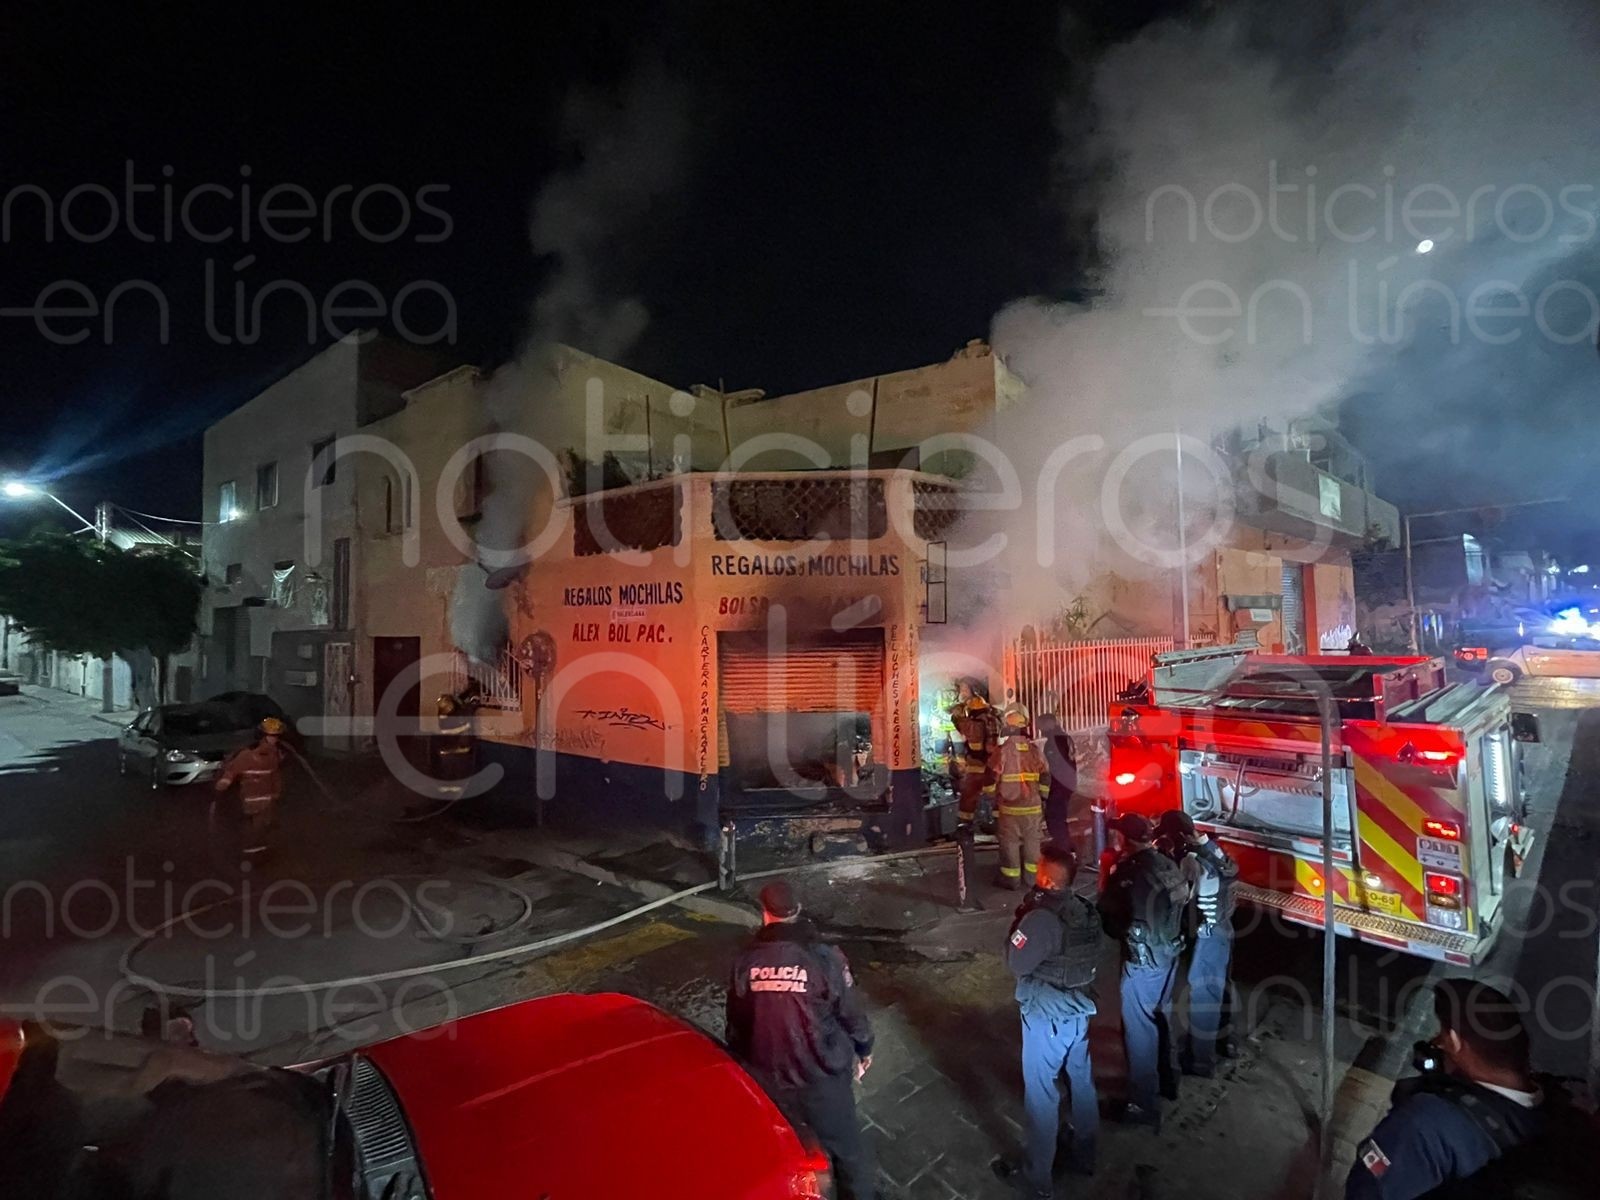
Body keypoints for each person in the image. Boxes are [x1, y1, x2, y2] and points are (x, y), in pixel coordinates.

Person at [1345, 979, 1584, 1200]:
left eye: (1441, 1035)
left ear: (1455, 1041)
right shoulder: (1564, 1120)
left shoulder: (1421, 1126)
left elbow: (1369, 1192)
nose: (1436, 1043)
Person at [726, 881, 875, 1200]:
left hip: (769, 1078)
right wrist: (864, 1048)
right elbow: (850, 1012)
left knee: (783, 1154)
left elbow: (736, 1025)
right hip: (822, 1077)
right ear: (798, 910)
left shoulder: (745, 960)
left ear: (765, 914)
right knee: (848, 1152)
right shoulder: (825, 958)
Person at [998, 844, 1103, 1196]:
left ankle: (1037, 1178)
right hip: (1079, 1011)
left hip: (1048, 1017)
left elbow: (1016, 961)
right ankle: (1085, 1154)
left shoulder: (1042, 918)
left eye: (1040, 871)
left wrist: (1023, 916)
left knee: (1042, 1095)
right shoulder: (1084, 910)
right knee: (1082, 1081)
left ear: (1048, 879)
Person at [1096, 812, 1189, 1126]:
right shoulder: (1167, 864)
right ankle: (1169, 1080)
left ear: (1124, 838)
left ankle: (1142, 1104)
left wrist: (1105, 878)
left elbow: (1108, 918)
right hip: (1169, 955)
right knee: (1162, 1017)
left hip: (1143, 961)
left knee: (1139, 1030)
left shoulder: (1130, 872)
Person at [1155, 809, 1240, 1075]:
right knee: (1221, 987)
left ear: (1179, 834)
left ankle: (1201, 1061)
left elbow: (1182, 896)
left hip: (1209, 933)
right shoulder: (1213, 849)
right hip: (1225, 925)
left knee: (1204, 993)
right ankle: (1226, 1042)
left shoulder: (1191, 860)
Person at [990, 704, 1048, 890]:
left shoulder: (1003, 751)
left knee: (1010, 843)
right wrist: (1043, 796)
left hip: (1009, 808)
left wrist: (991, 796)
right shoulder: (1034, 750)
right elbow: (1046, 774)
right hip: (1033, 807)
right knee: (1033, 842)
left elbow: (992, 777)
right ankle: (1032, 880)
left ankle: (1011, 879)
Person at [214, 717, 289, 854]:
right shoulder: (247, 755)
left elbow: (275, 774)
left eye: (276, 736)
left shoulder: (275, 755)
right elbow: (231, 771)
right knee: (253, 825)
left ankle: (260, 849)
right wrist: (223, 783)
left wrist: (277, 792)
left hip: (268, 798)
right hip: (251, 797)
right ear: (262, 736)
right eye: (271, 736)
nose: (274, 740)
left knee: (265, 824)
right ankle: (248, 850)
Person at [1036, 714, 1077, 852]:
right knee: (1060, 816)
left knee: (1055, 817)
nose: (1039, 729)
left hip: (1059, 786)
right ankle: (1065, 845)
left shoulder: (1053, 742)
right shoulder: (1064, 737)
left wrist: (1046, 790)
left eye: (1041, 725)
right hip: (1067, 783)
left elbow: (1052, 768)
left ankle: (1062, 849)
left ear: (1050, 724)